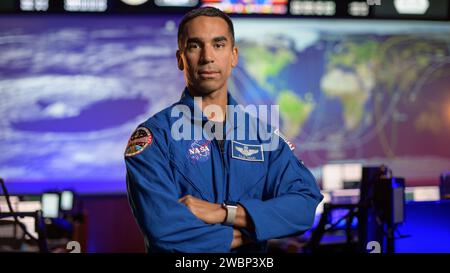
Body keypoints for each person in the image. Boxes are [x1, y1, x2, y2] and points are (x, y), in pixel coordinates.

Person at [124, 6, 323, 253]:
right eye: (195, 45)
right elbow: (165, 232)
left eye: (218, 45)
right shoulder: (155, 138)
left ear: (234, 56)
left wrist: (224, 213)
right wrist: (256, 231)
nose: (208, 56)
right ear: (180, 58)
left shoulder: (263, 136)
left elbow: (303, 205)